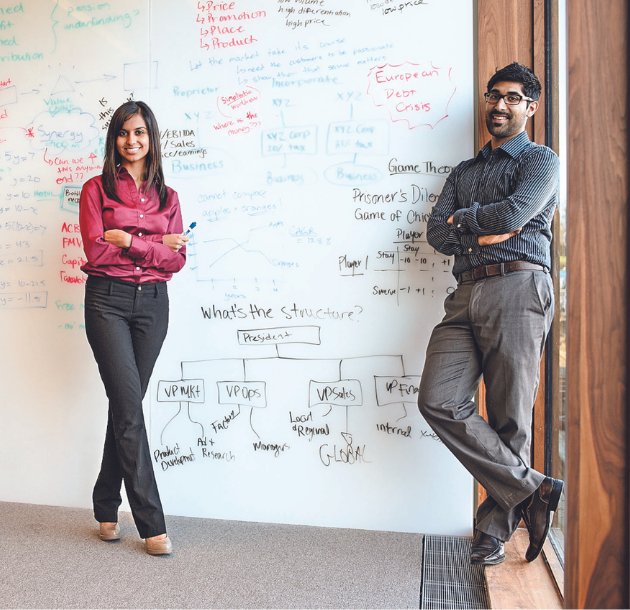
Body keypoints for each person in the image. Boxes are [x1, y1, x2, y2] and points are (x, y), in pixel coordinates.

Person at [417, 62, 563, 565]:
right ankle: (533, 490)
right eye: (492, 95)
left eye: (512, 98)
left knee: (510, 415)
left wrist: (467, 220)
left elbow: (514, 215)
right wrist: (477, 226)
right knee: (438, 400)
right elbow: (437, 234)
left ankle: (493, 533)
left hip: (519, 286)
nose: (499, 105)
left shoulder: (541, 160)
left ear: (530, 106)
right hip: (465, 294)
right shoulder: (465, 171)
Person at [79, 101, 188, 555]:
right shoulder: (94, 189)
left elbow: (178, 260)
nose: (132, 141)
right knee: (129, 411)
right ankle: (151, 523)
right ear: (114, 139)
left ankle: (105, 506)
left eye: (140, 132)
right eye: (124, 133)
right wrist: (153, 244)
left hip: (153, 307)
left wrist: (132, 240)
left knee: (126, 407)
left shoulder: (170, 198)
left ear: (151, 137)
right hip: (107, 301)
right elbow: (97, 251)